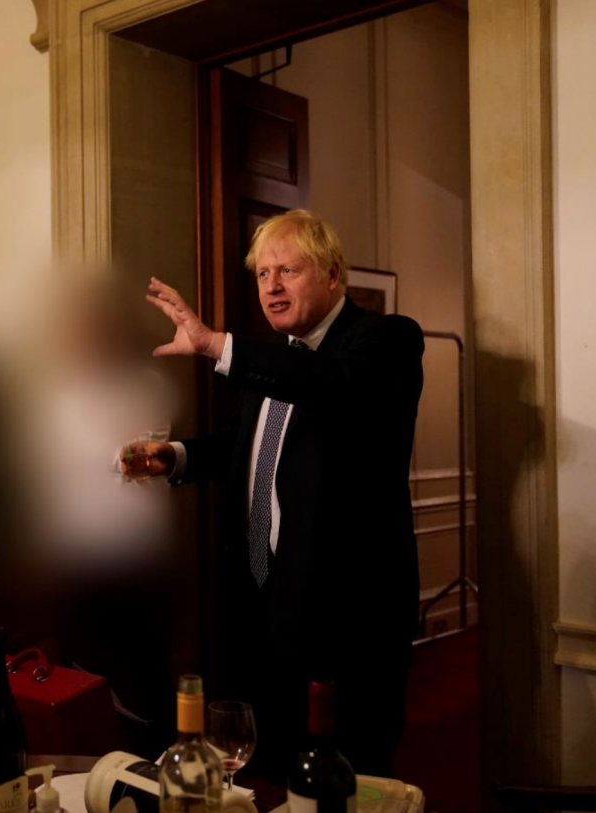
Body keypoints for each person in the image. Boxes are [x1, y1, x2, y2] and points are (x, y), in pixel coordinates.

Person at [122, 209, 423, 778]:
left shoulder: (385, 341)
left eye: (288, 270)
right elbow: (250, 444)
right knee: (271, 772)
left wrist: (215, 344)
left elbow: (330, 386)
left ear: (334, 276)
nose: (272, 286)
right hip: (265, 609)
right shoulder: (273, 360)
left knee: (345, 779)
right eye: (262, 274)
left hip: (348, 624)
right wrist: (179, 456)